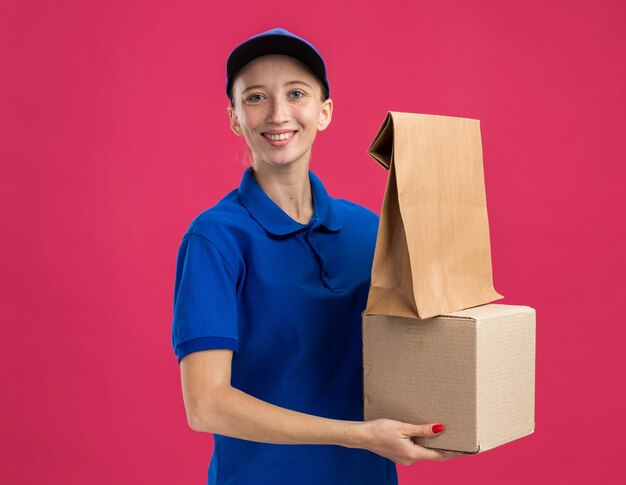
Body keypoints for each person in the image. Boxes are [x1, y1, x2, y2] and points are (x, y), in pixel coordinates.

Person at [172, 27, 453, 485]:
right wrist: (358, 435)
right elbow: (206, 404)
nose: (278, 113)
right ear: (234, 117)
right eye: (256, 97)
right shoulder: (215, 239)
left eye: (296, 93)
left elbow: (418, 341)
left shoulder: (371, 230)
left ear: (324, 112)